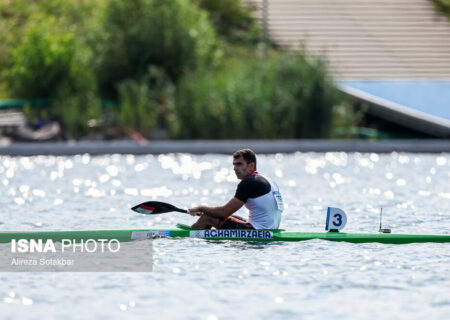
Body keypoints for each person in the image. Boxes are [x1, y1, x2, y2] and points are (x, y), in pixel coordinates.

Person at [189, 149, 283, 230]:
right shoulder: (269, 180)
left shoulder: (249, 182)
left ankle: (188, 236)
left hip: (256, 231)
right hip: (271, 229)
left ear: (251, 166)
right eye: (234, 165)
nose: (235, 168)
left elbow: (224, 212)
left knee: (207, 217)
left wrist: (200, 208)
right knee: (217, 215)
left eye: (239, 164)